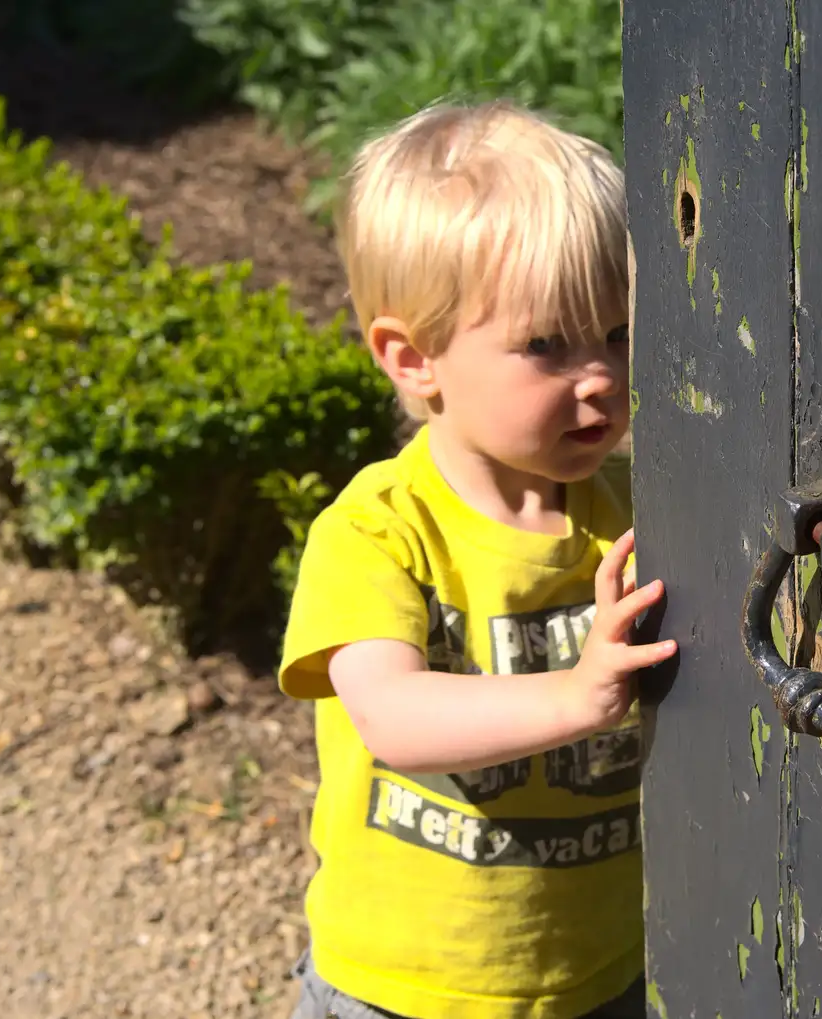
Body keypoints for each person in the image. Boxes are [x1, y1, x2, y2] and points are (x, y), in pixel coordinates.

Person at [276, 97, 677, 1019]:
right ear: (413, 359)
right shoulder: (378, 528)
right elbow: (393, 716)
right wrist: (575, 694)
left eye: (617, 333)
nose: (603, 376)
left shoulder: (633, 509)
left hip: (598, 969)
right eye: (546, 345)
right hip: (404, 987)